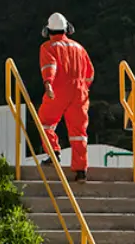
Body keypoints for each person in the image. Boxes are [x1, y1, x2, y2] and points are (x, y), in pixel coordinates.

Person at [37, 11, 94, 182]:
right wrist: (83, 88)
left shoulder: (47, 47)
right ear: (67, 29)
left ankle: (54, 152)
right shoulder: (79, 48)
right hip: (80, 92)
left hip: (58, 90)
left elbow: (50, 66)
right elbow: (90, 74)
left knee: (45, 123)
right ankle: (81, 170)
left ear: (48, 31)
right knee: (79, 133)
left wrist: (48, 83)